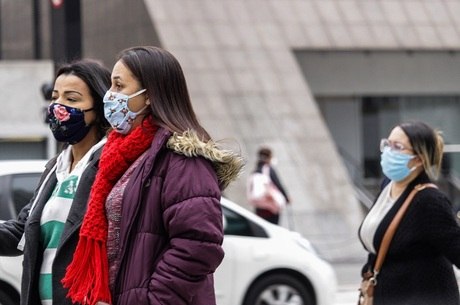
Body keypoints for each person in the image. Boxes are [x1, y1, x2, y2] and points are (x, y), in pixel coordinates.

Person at [62, 46, 244, 305]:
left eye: (118, 86)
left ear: (148, 95)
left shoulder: (183, 159)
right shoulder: (119, 155)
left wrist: (153, 300)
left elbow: (198, 245)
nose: (110, 95)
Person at [0, 59, 111, 305]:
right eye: (55, 97)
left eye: (72, 99)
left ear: (99, 107)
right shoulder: (55, 168)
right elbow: (22, 231)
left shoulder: (110, 164)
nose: (59, 107)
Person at [358, 121, 460, 305]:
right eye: (387, 144)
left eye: (397, 147)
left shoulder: (429, 201)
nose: (388, 152)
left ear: (419, 159)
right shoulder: (387, 187)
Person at [247, 146, 290, 224]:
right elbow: (278, 184)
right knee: (273, 227)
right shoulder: (268, 169)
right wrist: (286, 197)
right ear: (269, 156)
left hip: (259, 205)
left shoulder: (256, 170)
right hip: (270, 206)